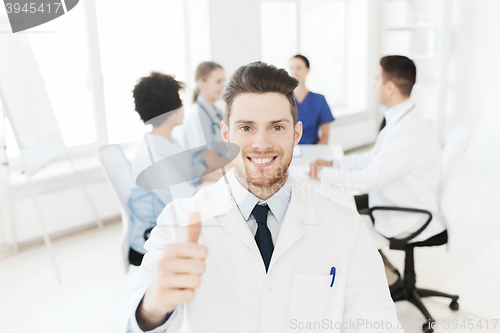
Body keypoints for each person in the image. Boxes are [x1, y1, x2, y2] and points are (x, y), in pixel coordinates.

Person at [120, 62, 403, 333]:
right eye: (246, 128)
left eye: (277, 127)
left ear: (297, 134)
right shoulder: (178, 221)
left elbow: (377, 320)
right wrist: (155, 304)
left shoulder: (345, 226)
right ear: (226, 135)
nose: (262, 143)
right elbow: (134, 321)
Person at [309, 56, 446, 292]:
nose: (374, 86)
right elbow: (373, 157)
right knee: (342, 203)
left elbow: (367, 181)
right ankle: (388, 273)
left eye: (376, 80)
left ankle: (384, 281)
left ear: (390, 87)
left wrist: (322, 175)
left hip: (407, 210)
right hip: (401, 194)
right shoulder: (402, 118)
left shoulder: (406, 132)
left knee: (342, 214)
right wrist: (334, 164)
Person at [128, 72, 207, 266]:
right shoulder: (153, 154)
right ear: (169, 109)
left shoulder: (168, 141)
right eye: (179, 101)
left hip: (175, 220)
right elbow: (185, 202)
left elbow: (192, 176)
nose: (182, 107)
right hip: (152, 238)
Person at [183, 61, 233, 180]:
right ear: (201, 84)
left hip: (222, 170)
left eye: (223, 80)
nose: (223, 85)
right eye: (218, 81)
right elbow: (213, 162)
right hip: (205, 178)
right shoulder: (196, 116)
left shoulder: (217, 112)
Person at [289, 54, 334, 144]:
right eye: (291, 68)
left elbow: (325, 136)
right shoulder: (284, 100)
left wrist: (313, 154)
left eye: (299, 68)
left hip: (312, 149)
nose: (295, 72)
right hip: (288, 150)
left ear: (308, 70)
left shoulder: (319, 100)